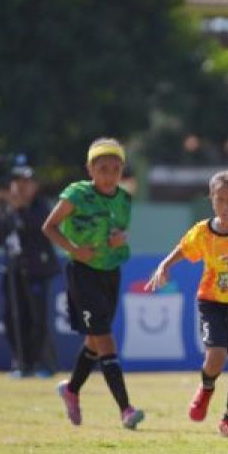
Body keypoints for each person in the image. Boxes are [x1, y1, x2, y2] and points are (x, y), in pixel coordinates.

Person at [146, 171, 228, 439]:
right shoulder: (203, 232)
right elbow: (184, 248)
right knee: (216, 355)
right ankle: (206, 389)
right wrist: (165, 265)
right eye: (220, 200)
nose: (226, 206)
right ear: (212, 200)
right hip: (212, 301)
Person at [42, 138, 144, 430]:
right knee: (105, 339)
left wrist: (119, 238)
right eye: (102, 168)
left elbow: (120, 231)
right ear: (90, 169)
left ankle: (71, 389)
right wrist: (74, 249)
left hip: (111, 271)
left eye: (115, 168)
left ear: (122, 169)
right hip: (83, 272)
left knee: (94, 340)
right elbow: (48, 227)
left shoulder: (125, 200)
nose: (109, 173)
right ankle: (126, 409)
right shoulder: (76, 194)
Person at [0, 161, 61, 378]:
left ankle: (38, 363)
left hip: (37, 270)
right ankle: (20, 361)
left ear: (34, 186)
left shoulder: (41, 206)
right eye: (16, 182)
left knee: (36, 318)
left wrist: (19, 207)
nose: (20, 187)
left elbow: (39, 228)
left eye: (26, 183)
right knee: (11, 317)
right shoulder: (7, 209)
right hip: (13, 270)